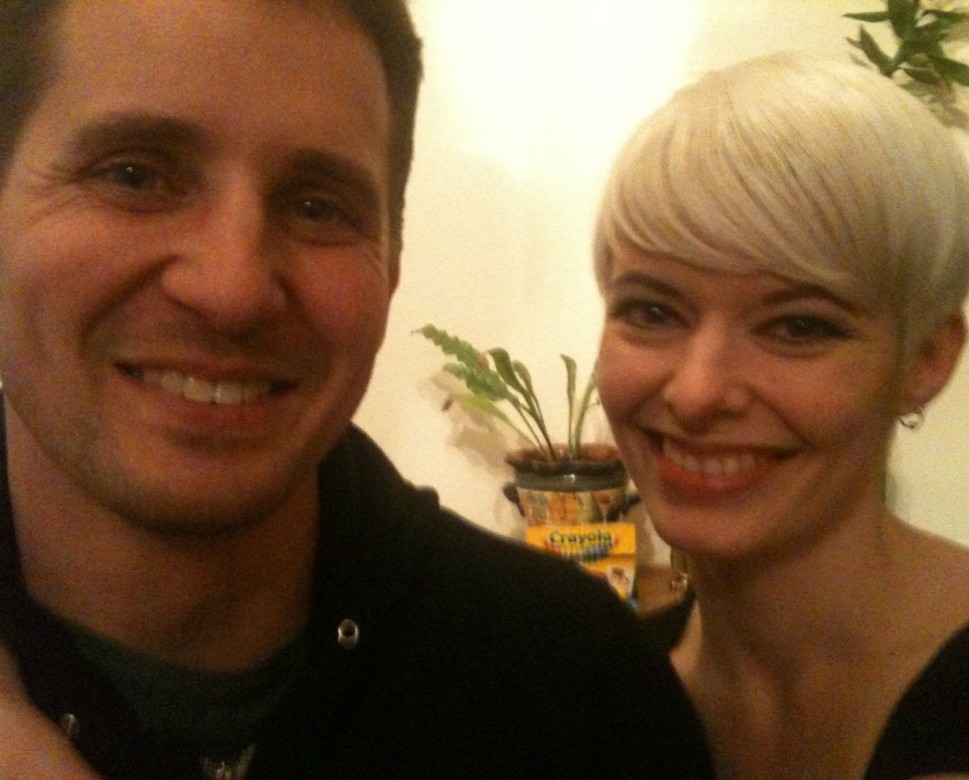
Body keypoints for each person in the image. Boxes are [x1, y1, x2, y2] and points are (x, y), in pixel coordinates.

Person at [0, 1, 712, 777]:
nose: (232, 289)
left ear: (392, 264)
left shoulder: (577, 688)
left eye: (317, 207)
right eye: (134, 176)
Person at [592, 51, 969, 778]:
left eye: (798, 326)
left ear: (926, 358)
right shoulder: (593, 705)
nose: (697, 393)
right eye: (652, 311)